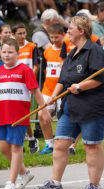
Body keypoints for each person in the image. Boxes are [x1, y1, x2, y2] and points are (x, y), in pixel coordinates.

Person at [34, 15, 104, 189]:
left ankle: (94, 186)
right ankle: (55, 184)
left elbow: (99, 78)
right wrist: (53, 97)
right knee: (61, 143)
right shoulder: (71, 53)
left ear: (81, 31)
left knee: (91, 146)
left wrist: (80, 86)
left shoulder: (94, 50)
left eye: (70, 28)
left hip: (93, 106)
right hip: (71, 106)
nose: (67, 31)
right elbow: (63, 79)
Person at [0, 38, 52, 189]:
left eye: (10, 52)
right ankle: (24, 173)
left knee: (16, 148)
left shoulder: (25, 70)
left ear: (18, 53)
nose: (6, 55)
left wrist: (43, 110)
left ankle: (11, 181)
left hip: (19, 117)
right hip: (2, 115)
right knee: (3, 147)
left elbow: (36, 91)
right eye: (3, 52)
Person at [11, 23, 39, 154]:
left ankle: (31, 138)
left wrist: (30, 82)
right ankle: (23, 140)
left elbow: (36, 66)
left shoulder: (32, 46)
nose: (22, 36)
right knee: (16, 114)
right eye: (19, 33)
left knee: (24, 113)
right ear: (13, 35)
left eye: (24, 33)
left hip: (27, 84)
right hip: (13, 84)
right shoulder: (11, 48)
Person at [38, 23, 64, 155]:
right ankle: (49, 144)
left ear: (63, 36)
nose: (54, 40)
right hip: (48, 89)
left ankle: (63, 144)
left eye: (56, 37)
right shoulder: (47, 51)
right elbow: (45, 69)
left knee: (62, 117)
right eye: (51, 37)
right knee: (42, 114)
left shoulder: (68, 50)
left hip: (63, 90)